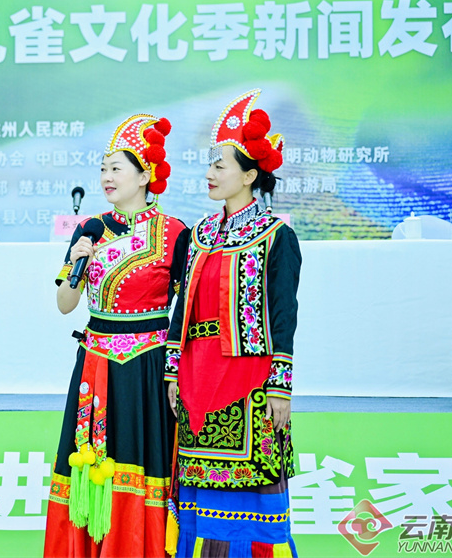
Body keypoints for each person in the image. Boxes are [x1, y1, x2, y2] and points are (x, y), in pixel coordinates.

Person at [44, 114, 191, 557]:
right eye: (103, 169)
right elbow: (65, 304)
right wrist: (78, 261)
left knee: (142, 460)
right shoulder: (89, 228)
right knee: (88, 461)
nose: (106, 177)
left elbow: (185, 311)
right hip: (95, 364)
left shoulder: (175, 233)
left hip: (146, 367)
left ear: (145, 176)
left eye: (116, 169)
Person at [164, 90, 301, 557]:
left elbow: (284, 313)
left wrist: (281, 386)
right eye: (210, 164)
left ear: (249, 175)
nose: (209, 173)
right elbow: (181, 308)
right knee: (197, 492)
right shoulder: (198, 234)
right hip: (197, 375)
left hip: (250, 377)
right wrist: (172, 371)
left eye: (219, 166)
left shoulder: (275, 235)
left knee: (251, 490)